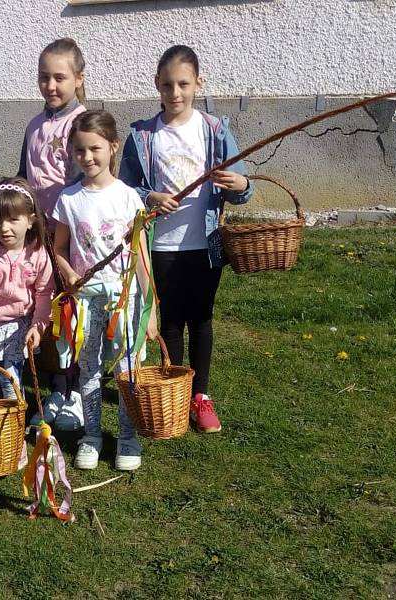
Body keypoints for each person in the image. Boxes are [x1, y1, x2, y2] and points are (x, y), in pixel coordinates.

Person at [119, 45, 254, 434]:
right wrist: (150, 198)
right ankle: (173, 392)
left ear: (198, 83)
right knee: (171, 322)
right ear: (156, 86)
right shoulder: (144, 137)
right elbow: (127, 189)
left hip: (204, 244)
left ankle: (201, 396)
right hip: (162, 247)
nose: (174, 92)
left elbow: (243, 188)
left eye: (182, 84)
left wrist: (239, 183)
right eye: (166, 85)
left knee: (202, 319)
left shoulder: (214, 130)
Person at [52, 110, 157, 471]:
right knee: (89, 367)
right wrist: (67, 273)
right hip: (86, 301)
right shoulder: (68, 199)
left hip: (124, 300)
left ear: (113, 147)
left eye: (95, 149)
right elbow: (59, 248)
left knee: (127, 368)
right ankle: (92, 434)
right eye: (79, 151)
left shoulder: (129, 198)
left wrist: (151, 309)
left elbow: (140, 254)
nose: (88, 157)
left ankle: (128, 436)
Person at [18, 37, 88, 430]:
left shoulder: (81, 124)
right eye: (44, 78)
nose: (51, 85)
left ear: (78, 79)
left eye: (60, 77)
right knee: (39, 310)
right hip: (36, 238)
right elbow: (25, 178)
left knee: (69, 313)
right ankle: (50, 387)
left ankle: (72, 390)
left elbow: (87, 183)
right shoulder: (33, 125)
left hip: (69, 241)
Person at [0, 178, 54, 399]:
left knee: (11, 379)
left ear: (31, 220)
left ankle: (13, 427)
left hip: (19, 327)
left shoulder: (38, 254)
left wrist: (39, 326)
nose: (4, 228)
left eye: (13, 219)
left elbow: (45, 293)